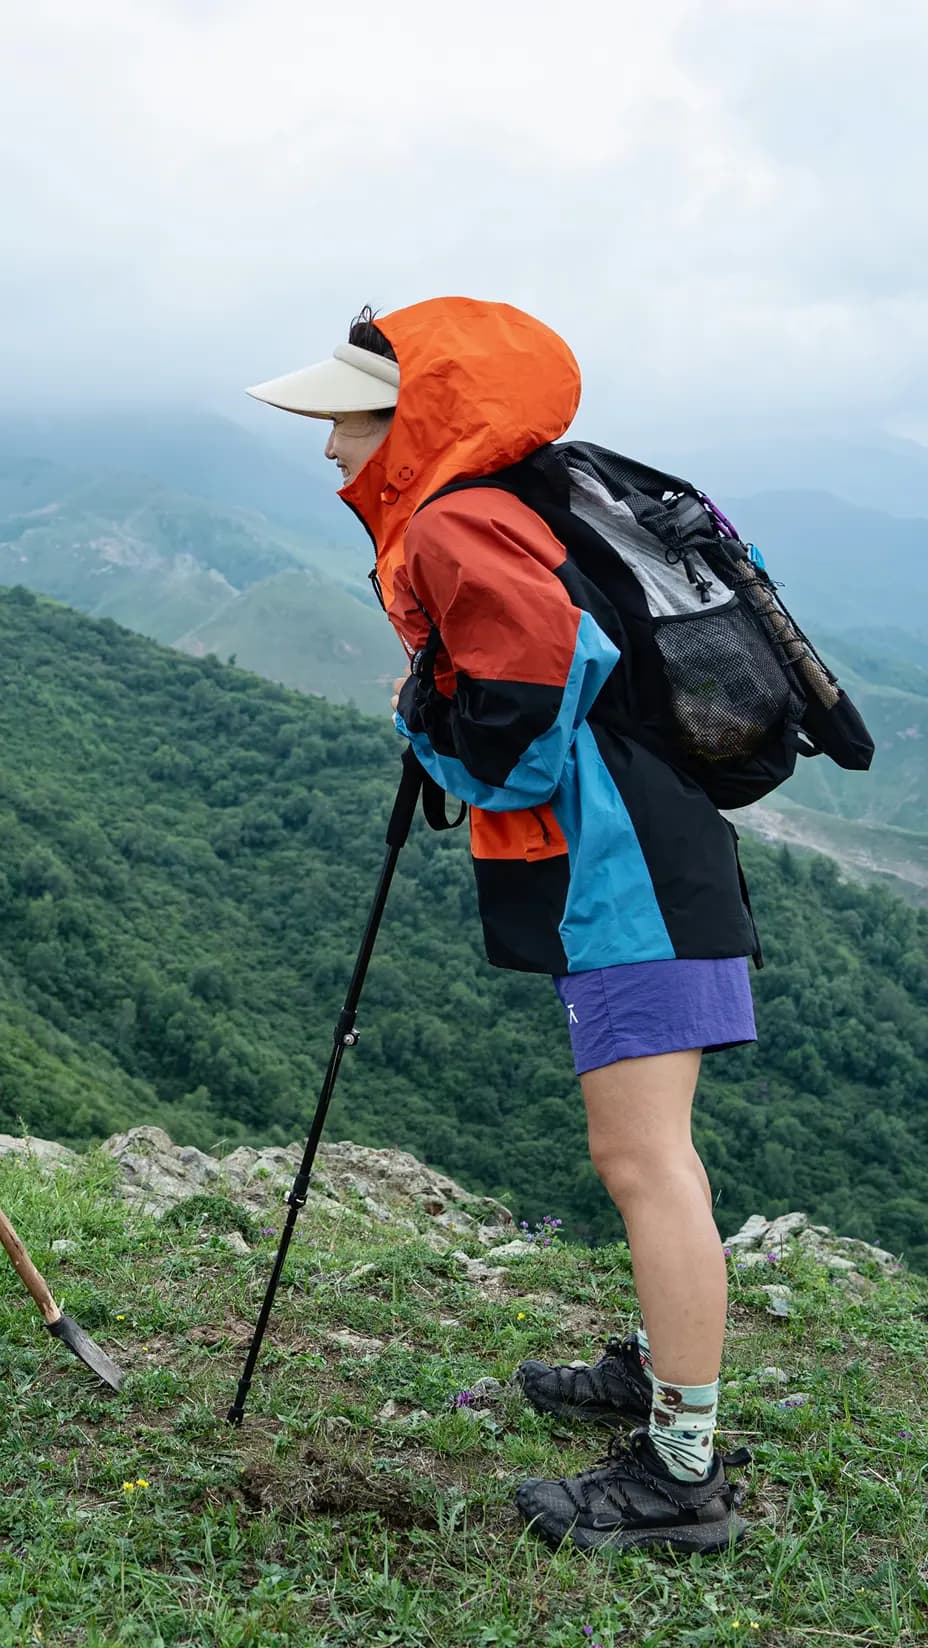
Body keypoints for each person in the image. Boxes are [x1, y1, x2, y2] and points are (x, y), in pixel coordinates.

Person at [246, 299, 753, 1552]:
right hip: (651, 850)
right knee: (649, 1155)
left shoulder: (458, 518)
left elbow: (522, 733)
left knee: (644, 1162)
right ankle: (653, 1370)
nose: (328, 450)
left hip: (626, 875)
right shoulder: (516, 494)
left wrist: (423, 717)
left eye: (347, 421)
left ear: (412, 418)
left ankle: (680, 1471)